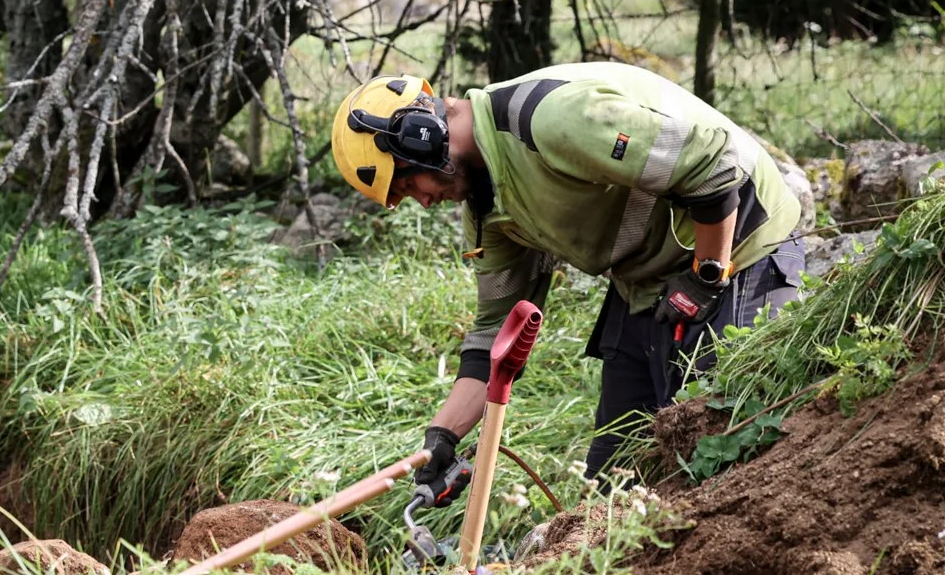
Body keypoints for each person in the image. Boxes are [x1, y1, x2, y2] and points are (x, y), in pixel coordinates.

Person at [330, 62, 804, 496]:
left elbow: (715, 162)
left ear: (420, 137)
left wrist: (707, 274)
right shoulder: (488, 209)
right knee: (613, 488)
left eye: (408, 184)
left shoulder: (553, 120)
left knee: (722, 455)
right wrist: (442, 439)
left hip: (741, 245)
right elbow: (494, 336)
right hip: (648, 281)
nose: (424, 201)